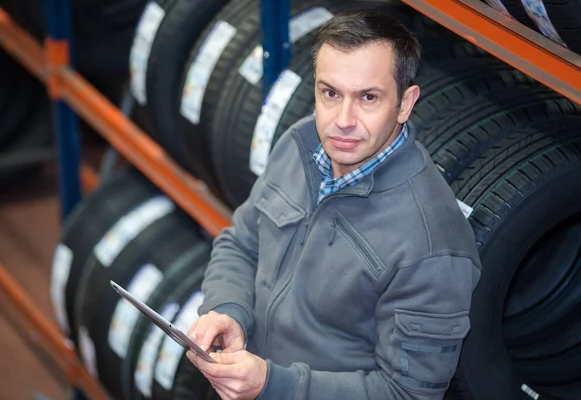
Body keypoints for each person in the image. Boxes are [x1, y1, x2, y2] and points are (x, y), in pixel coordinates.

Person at [186, 8, 482, 400]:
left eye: (368, 98)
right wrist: (229, 312)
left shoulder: (431, 244)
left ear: (406, 103)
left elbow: (406, 394)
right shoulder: (300, 143)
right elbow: (240, 244)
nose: (342, 120)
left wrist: (273, 385)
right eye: (330, 93)